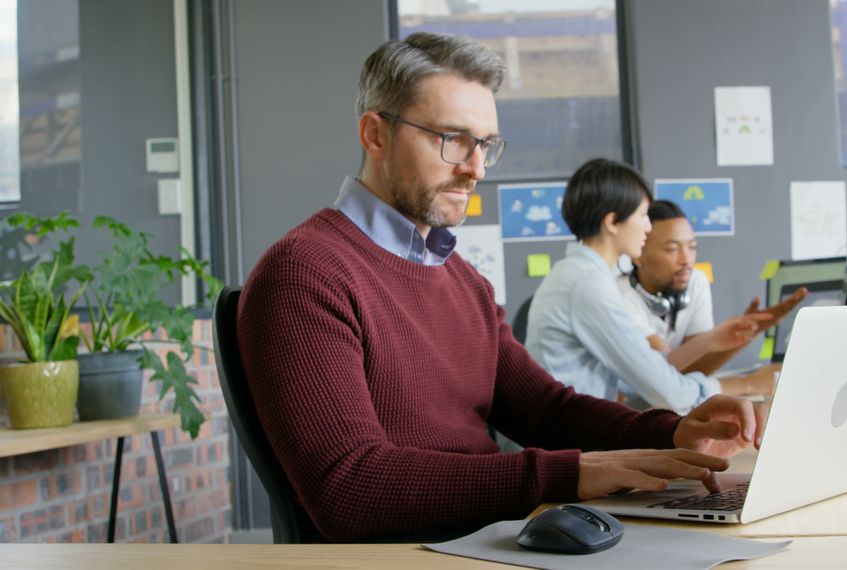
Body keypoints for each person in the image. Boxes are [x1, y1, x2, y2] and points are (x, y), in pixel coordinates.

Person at [236, 32, 763, 543]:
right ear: (376, 134)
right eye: (453, 140)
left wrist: (671, 432)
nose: (476, 169)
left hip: (491, 538)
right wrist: (569, 474)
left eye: (486, 144)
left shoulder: (462, 279)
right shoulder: (303, 273)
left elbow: (546, 411)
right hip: (414, 554)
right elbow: (348, 487)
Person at [524, 158, 769, 413]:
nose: (648, 226)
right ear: (611, 222)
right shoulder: (587, 285)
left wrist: (711, 342)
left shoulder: (580, 275)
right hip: (568, 442)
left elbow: (645, 369)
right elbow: (669, 392)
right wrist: (747, 385)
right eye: (643, 215)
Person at [620, 200, 808, 376]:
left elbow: (695, 369)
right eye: (672, 249)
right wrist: (746, 383)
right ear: (638, 255)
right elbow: (666, 373)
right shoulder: (619, 296)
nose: (687, 260)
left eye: (692, 247)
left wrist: (745, 334)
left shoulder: (695, 281)